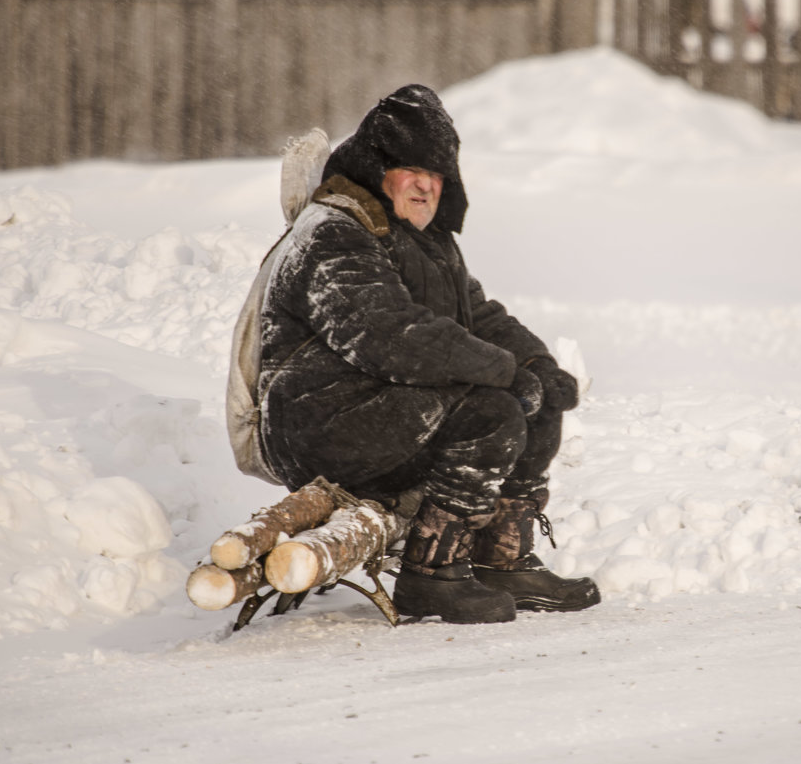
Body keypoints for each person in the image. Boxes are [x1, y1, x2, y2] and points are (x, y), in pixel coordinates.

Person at [257, 84, 600, 624]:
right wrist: (507, 376)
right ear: (376, 169)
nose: (425, 184)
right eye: (409, 169)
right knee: (491, 412)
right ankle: (431, 574)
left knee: (538, 400)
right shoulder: (334, 233)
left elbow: (478, 316)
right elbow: (391, 337)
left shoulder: (426, 241)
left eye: (436, 173)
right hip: (317, 423)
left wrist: (533, 363)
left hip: (377, 406)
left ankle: (501, 561)